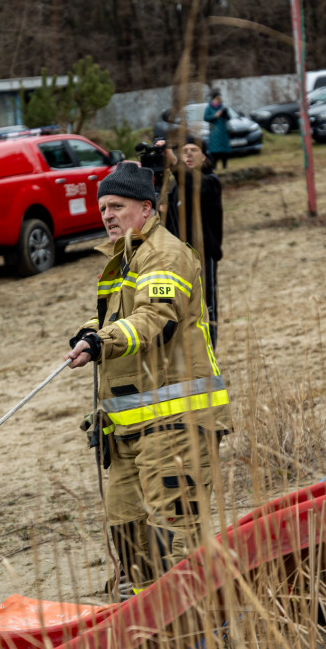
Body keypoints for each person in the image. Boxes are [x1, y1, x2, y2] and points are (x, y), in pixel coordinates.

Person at [65, 162, 232, 595]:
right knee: (127, 532)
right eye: (102, 208)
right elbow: (118, 314)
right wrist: (90, 331)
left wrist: (104, 341)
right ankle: (142, 634)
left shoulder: (164, 253)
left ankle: (198, 638)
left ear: (147, 208)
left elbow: (156, 317)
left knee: (172, 543)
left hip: (175, 426)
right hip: (127, 429)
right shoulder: (124, 258)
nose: (107, 216)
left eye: (117, 206)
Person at [164, 136, 223, 350]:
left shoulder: (210, 182)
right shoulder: (176, 188)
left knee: (206, 308)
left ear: (204, 156)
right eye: (183, 151)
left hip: (203, 256)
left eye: (193, 150)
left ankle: (210, 353)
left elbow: (194, 187)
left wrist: (174, 164)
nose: (187, 155)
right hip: (179, 260)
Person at [204, 90, 231, 170]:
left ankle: (225, 165)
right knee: (215, 150)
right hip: (214, 131)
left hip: (223, 131)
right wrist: (215, 115)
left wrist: (225, 113)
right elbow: (205, 118)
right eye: (217, 98)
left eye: (220, 99)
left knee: (225, 150)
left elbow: (228, 118)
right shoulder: (209, 108)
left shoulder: (222, 107)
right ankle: (214, 166)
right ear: (214, 99)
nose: (219, 100)